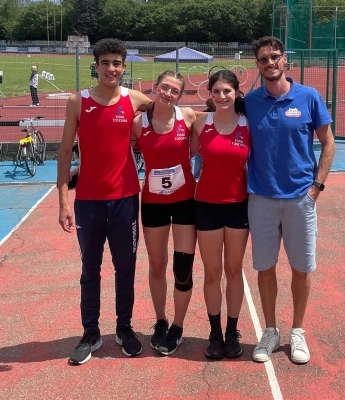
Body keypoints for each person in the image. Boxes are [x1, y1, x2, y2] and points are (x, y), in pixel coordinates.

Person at [57, 38, 153, 365]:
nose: (111, 68)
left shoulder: (134, 99)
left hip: (126, 198)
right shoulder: (77, 101)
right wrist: (63, 201)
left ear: (124, 67)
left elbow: (171, 113)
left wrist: (221, 109)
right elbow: (65, 150)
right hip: (88, 201)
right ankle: (91, 332)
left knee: (125, 268)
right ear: (95, 65)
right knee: (90, 269)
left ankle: (124, 328)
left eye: (117, 63)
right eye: (105, 62)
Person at [244, 36, 335, 364]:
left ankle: (297, 330)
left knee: (301, 268)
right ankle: (270, 330)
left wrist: (317, 188)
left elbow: (328, 143)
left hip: (300, 199)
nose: (270, 63)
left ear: (286, 61)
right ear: (257, 64)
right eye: (263, 59)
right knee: (265, 268)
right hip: (262, 199)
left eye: (275, 57)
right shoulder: (250, 102)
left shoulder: (309, 97)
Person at [131, 70, 197, 356]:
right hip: (154, 203)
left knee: (182, 269)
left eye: (175, 91)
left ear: (180, 96)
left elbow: (223, 117)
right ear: (155, 88)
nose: (168, 94)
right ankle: (160, 321)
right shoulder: (138, 123)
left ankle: (178, 327)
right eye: (164, 88)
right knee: (157, 266)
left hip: (185, 202)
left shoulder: (189, 117)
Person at [191, 70, 251, 359]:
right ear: (210, 94)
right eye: (216, 91)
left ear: (237, 93)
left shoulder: (248, 125)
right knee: (213, 273)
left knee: (234, 271)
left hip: (238, 205)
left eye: (227, 91)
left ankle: (232, 331)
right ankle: (214, 333)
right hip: (206, 206)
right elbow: (177, 150)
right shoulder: (201, 123)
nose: (222, 96)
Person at [192, 98, 215, 180]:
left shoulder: (203, 114)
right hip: (207, 143)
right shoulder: (205, 115)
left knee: (198, 158)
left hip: (203, 144)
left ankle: (196, 176)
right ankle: (196, 176)